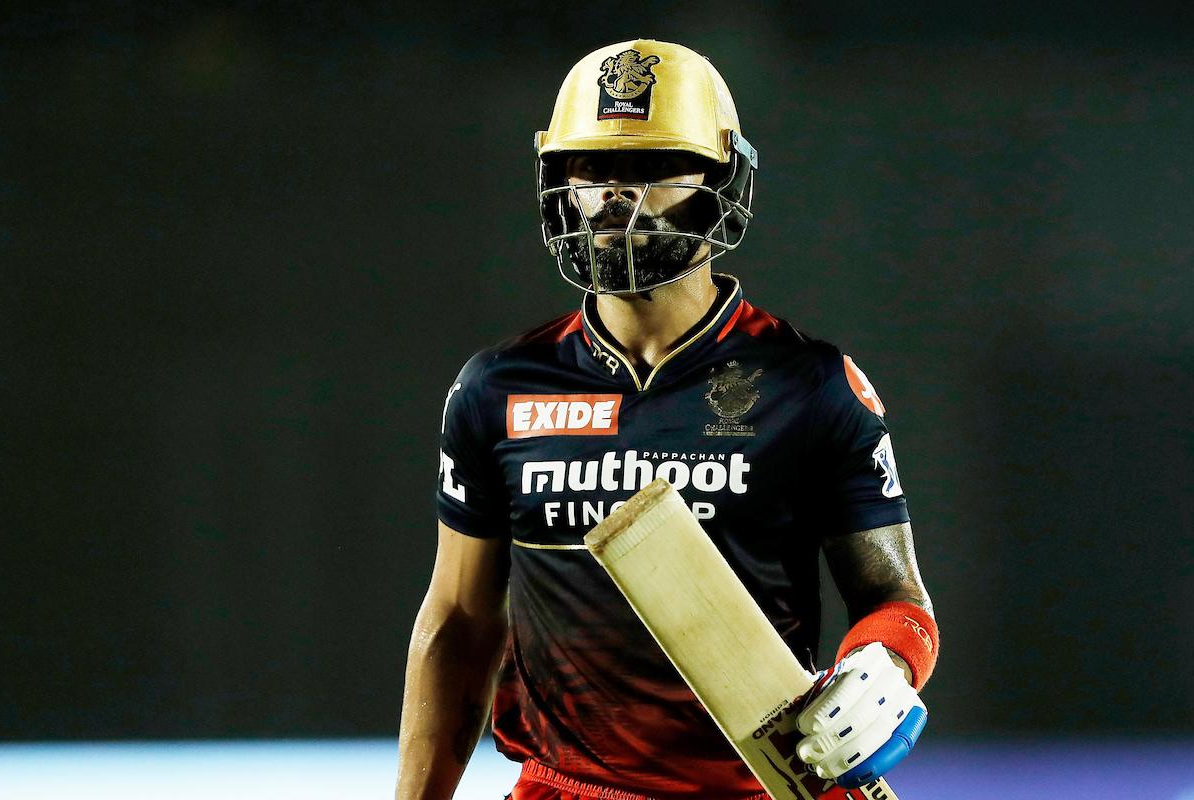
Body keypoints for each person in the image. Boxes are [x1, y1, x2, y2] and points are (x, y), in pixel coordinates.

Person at [396, 40, 938, 800]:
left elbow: (897, 601)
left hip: (758, 789)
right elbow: (458, 622)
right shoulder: (497, 389)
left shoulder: (811, 385)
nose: (616, 196)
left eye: (652, 168)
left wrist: (883, 666)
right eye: (592, 170)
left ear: (722, 181)